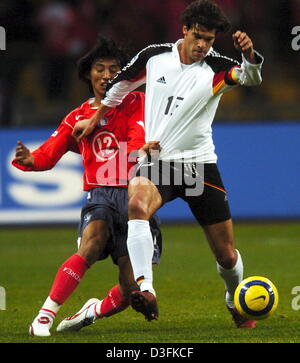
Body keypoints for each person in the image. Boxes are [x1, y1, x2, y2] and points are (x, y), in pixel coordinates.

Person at [72, 0, 264, 328]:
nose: (203, 45)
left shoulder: (216, 67)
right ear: (185, 30)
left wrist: (249, 57)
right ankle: (146, 289)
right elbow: (118, 87)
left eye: (210, 39)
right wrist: (95, 119)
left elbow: (249, 77)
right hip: (158, 160)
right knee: (136, 204)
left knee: (227, 255)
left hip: (200, 165)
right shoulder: (154, 57)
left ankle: (234, 299)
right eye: (199, 36)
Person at [12, 37, 162, 337]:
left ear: (123, 75)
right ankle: (44, 316)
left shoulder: (137, 102)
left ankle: (91, 311)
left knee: (130, 288)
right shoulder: (76, 117)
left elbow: (137, 135)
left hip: (135, 195)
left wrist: (139, 151)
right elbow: (49, 152)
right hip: (100, 193)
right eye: (100, 68)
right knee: (91, 244)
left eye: (114, 69)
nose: (107, 75)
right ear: (88, 75)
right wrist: (31, 160)